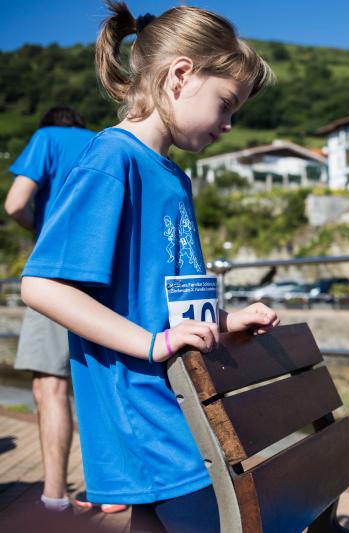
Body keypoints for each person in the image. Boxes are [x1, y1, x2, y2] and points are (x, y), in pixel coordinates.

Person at [20, 2, 278, 532]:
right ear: (180, 75)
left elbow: (165, 302)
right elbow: (42, 286)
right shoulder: (112, 160)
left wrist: (226, 322)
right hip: (148, 414)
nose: (229, 126)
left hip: (179, 404)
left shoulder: (172, 177)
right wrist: (154, 346)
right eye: (226, 104)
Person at [4, 106, 100, 513]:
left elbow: (15, 204)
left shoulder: (46, 139)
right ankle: (110, 491)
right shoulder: (102, 142)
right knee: (97, 383)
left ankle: (55, 499)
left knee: (51, 387)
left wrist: (37, 228)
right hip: (102, 272)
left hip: (58, 270)